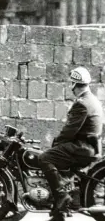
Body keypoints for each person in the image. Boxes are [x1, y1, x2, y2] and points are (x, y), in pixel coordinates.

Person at [38, 67, 103, 221]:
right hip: (89, 146)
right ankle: (59, 212)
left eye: (72, 84)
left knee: (44, 158)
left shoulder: (81, 103)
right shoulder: (93, 100)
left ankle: (61, 196)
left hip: (81, 147)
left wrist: (55, 144)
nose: (71, 88)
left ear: (74, 84)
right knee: (60, 167)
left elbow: (70, 130)